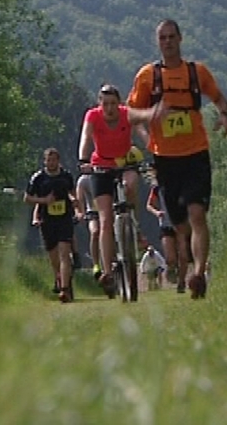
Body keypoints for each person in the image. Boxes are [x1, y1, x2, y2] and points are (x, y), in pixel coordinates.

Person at [127, 19, 227, 300]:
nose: (168, 42)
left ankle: (198, 274)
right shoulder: (148, 76)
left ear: (180, 39)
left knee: (198, 214)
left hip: (196, 153)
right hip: (165, 159)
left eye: (172, 37)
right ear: (157, 41)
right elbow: (130, 113)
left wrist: (224, 115)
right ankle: (190, 267)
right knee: (180, 226)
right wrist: (148, 120)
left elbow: (219, 98)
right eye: (163, 38)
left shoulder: (197, 73)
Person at [77, 84, 158, 296]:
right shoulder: (93, 117)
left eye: (113, 103)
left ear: (119, 103)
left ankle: (133, 221)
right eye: (106, 104)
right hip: (101, 167)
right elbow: (86, 137)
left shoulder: (126, 114)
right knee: (104, 220)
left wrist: (155, 151)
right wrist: (83, 159)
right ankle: (108, 271)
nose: (110, 108)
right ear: (99, 104)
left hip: (124, 164)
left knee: (131, 184)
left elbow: (142, 129)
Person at [24, 147, 83, 303]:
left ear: (58, 161)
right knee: (54, 256)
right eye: (48, 160)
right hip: (47, 220)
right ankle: (59, 277)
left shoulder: (66, 176)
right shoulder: (38, 178)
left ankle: (64, 290)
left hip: (64, 219)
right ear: (45, 161)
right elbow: (27, 199)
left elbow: (72, 192)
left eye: (54, 160)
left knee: (64, 253)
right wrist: (44, 201)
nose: (51, 163)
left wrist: (74, 202)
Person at [146, 177, 188, 293]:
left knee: (183, 255)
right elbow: (149, 205)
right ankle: (171, 268)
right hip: (166, 224)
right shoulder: (157, 188)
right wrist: (157, 213)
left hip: (181, 223)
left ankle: (182, 282)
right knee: (170, 258)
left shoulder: (183, 184)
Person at [76, 172, 102, 279]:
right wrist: (80, 212)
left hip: (109, 210)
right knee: (95, 232)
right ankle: (96, 264)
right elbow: (79, 199)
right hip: (93, 212)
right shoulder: (84, 180)